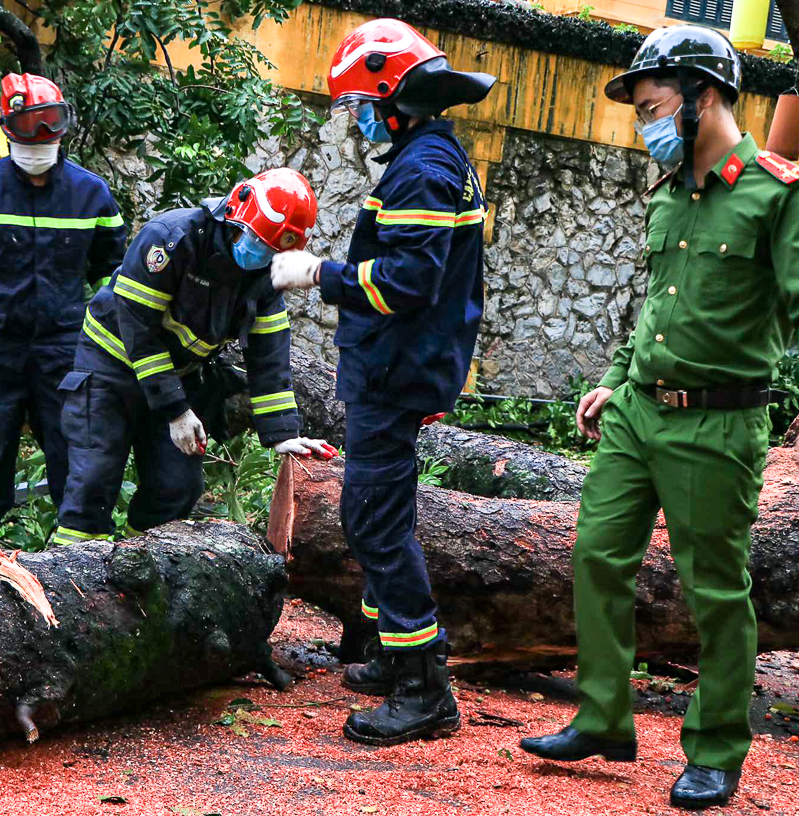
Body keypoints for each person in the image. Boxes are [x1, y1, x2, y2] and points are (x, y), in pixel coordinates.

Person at [516, 25, 799, 810]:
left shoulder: (778, 191)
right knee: (594, 556)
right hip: (637, 415)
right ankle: (605, 717)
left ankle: (715, 751)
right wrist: (615, 379)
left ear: (704, 97)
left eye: (651, 106)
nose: (643, 123)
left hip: (716, 424)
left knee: (713, 589)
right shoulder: (671, 191)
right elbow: (656, 306)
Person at [270, 18, 495, 745]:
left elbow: (404, 281)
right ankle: (388, 655)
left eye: (360, 103)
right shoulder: (424, 155)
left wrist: (319, 276)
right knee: (382, 513)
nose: (358, 117)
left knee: (373, 518)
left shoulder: (422, 166)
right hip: (397, 368)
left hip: (396, 371)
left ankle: (423, 689)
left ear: (390, 92)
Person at [50, 168, 335, 545]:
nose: (262, 255)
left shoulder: (264, 275)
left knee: (178, 486)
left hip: (179, 377)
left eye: (273, 251)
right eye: (259, 243)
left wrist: (283, 434)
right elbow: (139, 329)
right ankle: (69, 579)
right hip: (111, 367)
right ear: (235, 215)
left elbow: (269, 355)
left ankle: (138, 564)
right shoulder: (170, 240)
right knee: (94, 479)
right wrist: (176, 411)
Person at [0, 72, 126, 544]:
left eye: (46, 133)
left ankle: (85, 567)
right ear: (6, 131)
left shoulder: (90, 194)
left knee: (75, 458)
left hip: (67, 349)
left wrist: (114, 346)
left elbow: (117, 277)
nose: (37, 147)